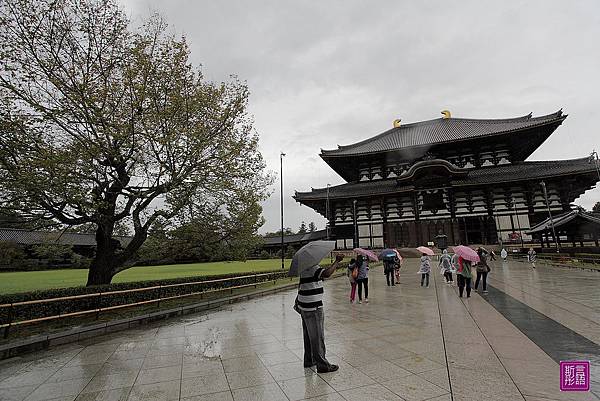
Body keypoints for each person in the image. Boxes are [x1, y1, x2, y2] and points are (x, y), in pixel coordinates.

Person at [297, 254, 344, 373]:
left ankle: (309, 360)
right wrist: (337, 261)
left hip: (304, 305)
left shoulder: (304, 268)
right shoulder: (313, 268)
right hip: (313, 307)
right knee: (317, 336)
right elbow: (327, 273)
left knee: (308, 335)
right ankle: (322, 365)